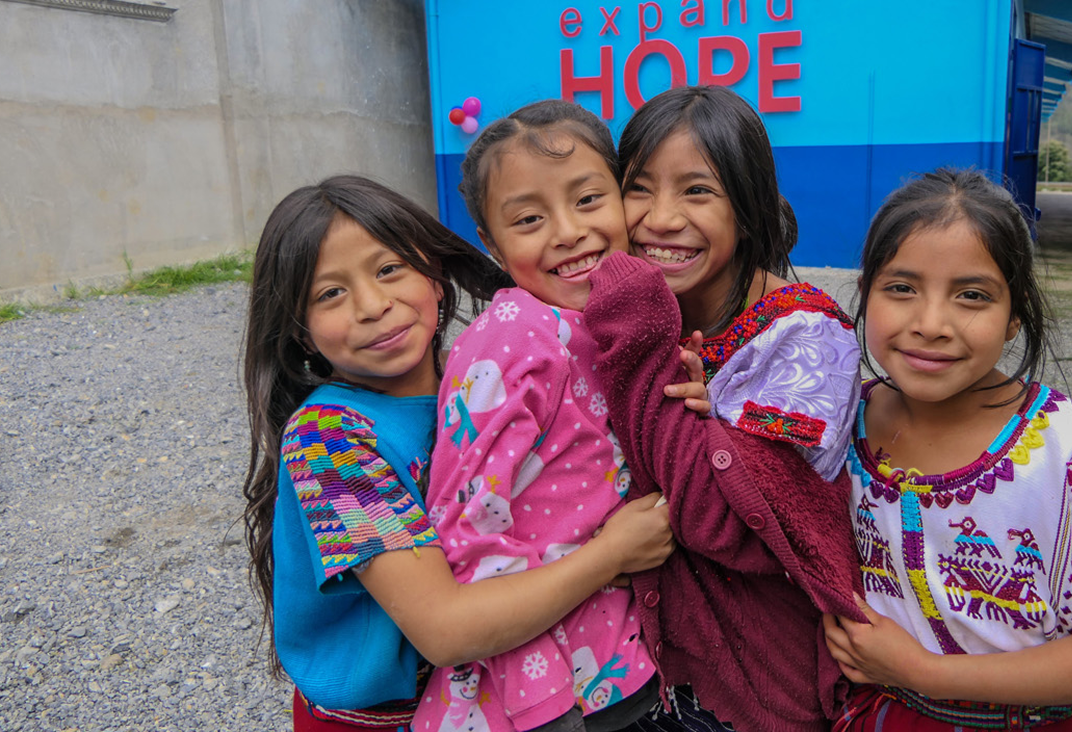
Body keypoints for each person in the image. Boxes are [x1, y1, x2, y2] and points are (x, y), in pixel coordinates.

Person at [242, 175, 676, 732]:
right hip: (381, 720)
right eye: (331, 293)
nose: (373, 305)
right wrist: (610, 556)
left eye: (388, 269)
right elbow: (444, 631)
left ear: (435, 278)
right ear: (301, 334)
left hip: (493, 694)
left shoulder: (475, 385)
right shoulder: (330, 445)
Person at [414, 100, 709, 732]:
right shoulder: (514, 336)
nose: (567, 231)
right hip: (541, 698)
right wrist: (538, 701)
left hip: (616, 669)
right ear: (491, 244)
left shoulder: (611, 320)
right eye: (528, 218)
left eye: (587, 199)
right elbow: (468, 533)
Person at [580, 85, 866, 731]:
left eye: (697, 191)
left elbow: (733, 525)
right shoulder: (656, 311)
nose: (660, 218)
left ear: (749, 206)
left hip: (760, 685)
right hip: (649, 666)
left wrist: (648, 359)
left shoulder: (806, 337)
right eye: (639, 187)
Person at [822, 167, 1072, 730]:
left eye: (973, 296)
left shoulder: (1061, 452)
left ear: (1014, 316)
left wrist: (922, 671)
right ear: (866, 292)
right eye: (902, 288)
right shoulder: (835, 423)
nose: (931, 324)